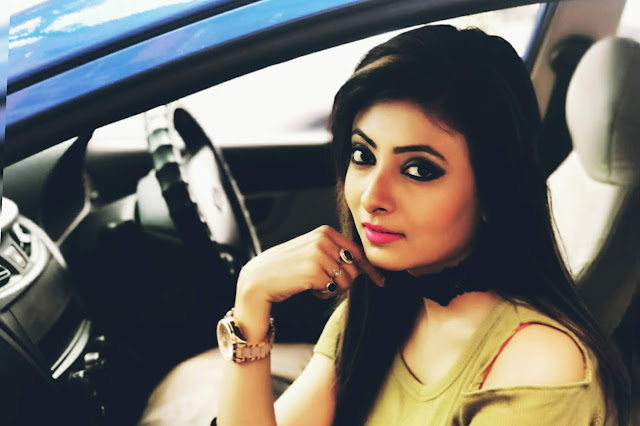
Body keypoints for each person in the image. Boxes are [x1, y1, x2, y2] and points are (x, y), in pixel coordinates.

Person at [214, 25, 630, 425]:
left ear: (493, 192)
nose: (372, 197)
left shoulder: (540, 368)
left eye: (418, 170)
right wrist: (252, 294)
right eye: (363, 156)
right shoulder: (377, 308)